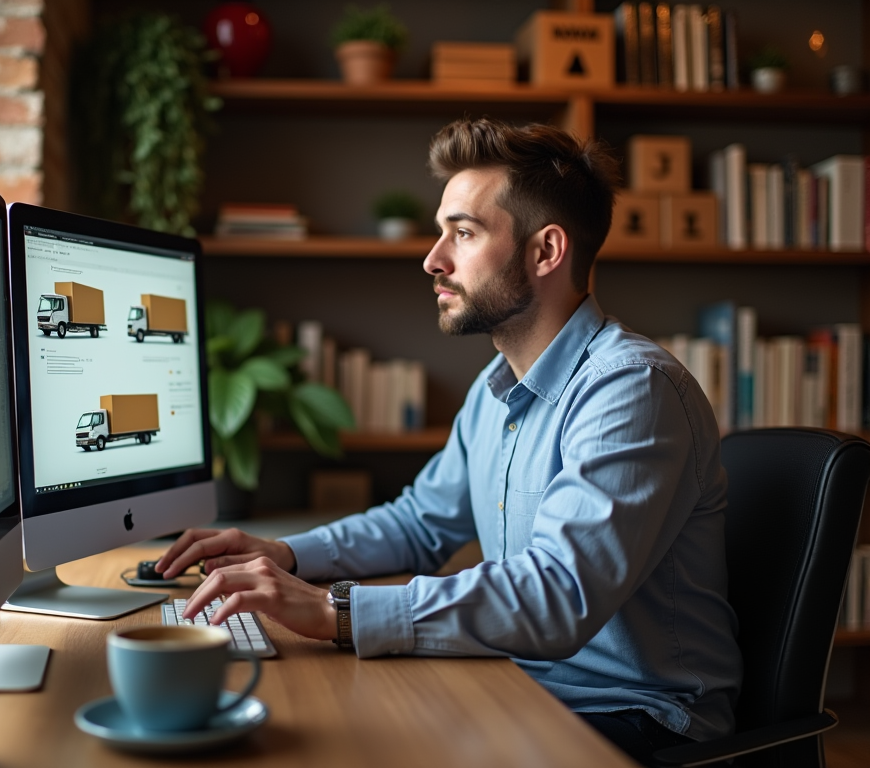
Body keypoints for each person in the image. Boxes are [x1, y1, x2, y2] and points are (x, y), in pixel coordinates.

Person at [156, 117, 742, 766]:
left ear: (546, 251)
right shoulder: (496, 390)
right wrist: (287, 556)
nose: (433, 258)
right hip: (525, 685)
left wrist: (334, 612)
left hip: (635, 718)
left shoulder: (631, 390)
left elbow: (556, 597)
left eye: (463, 233)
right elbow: (418, 524)